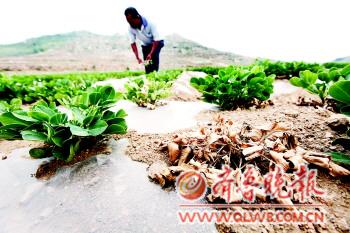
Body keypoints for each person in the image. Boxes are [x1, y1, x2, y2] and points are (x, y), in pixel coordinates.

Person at [124, 7, 164, 74]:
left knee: (153, 61)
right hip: (145, 45)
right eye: (128, 21)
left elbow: (156, 40)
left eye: (131, 21)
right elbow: (133, 43)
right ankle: (148, 75)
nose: (130, 24)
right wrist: (137, 57)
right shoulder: (130, 28)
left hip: (157, 43)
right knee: (147, 64)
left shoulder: (150, 23)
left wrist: (151, 54)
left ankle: (155, 75)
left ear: (137, 17)